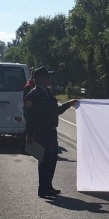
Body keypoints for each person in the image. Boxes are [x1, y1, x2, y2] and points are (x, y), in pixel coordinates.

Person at [24, 66, 77, 197]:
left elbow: (55, 111)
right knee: (44, 161)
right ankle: (42, 188)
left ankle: (48, 186)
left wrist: (68, 104)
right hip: (40, 132)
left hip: (51, 132)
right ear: (41, 79)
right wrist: (30, 134)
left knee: (52, 160)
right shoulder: (33, 95)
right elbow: (29, 116)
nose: (50, 79)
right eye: (48, 76)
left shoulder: (48, 93)